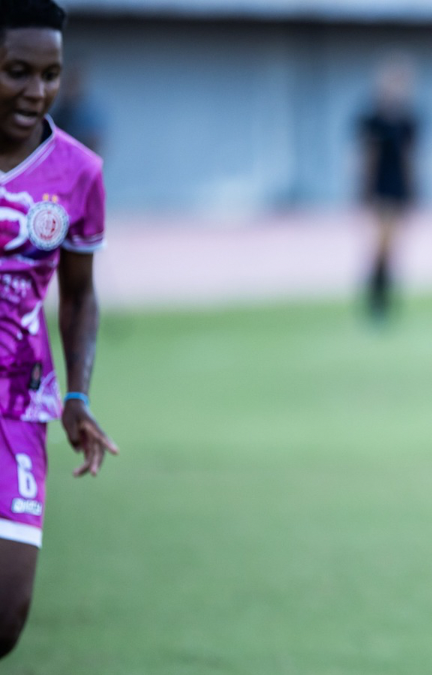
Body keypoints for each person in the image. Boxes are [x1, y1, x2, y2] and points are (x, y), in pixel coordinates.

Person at [0, 0, 118, 660]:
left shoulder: (78, 172)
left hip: (18, 404)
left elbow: (78, 296)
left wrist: (78, 396)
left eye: (50, 74)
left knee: (8, 614)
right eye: (17, 70)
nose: (36, 91)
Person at [358, 55, 418, 322]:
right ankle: (376, 299)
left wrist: (412, 187)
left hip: (398, 188)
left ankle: (384, 299)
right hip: (381, 188)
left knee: (393, 246)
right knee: (382, 244)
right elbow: (367, 157)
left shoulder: (407, 120)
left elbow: (410, 157)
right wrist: (365, 189)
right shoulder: (373, 119)